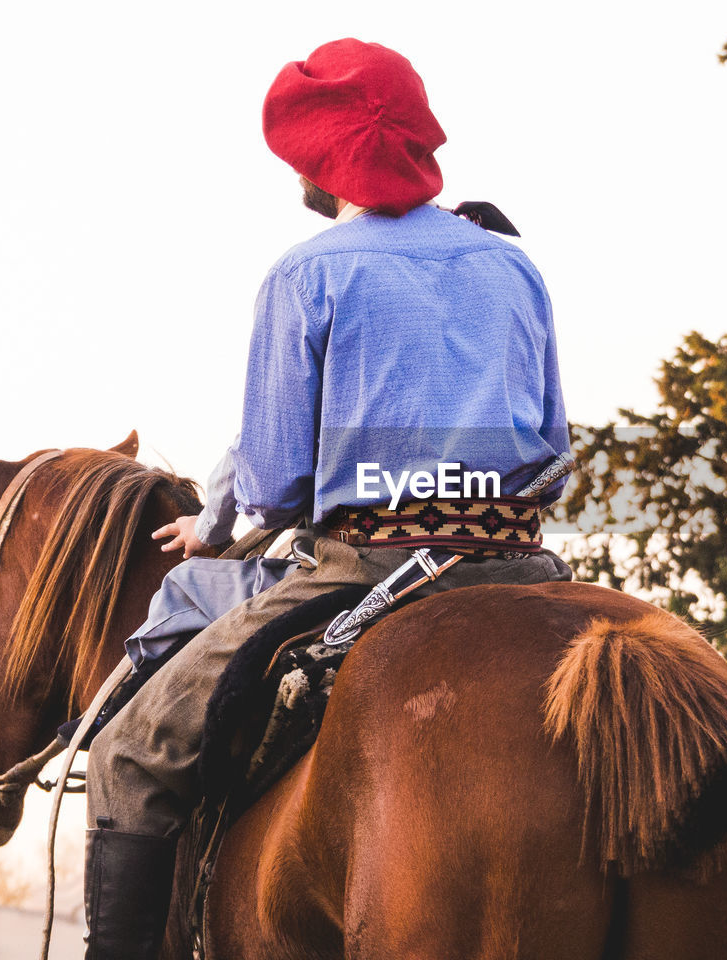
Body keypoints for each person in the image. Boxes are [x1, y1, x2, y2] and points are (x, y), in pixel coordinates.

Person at [81, 38, 571, 958]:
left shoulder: (309, 272)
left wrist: (226, 523)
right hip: (525, 564)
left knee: (130, 754)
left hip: (368, 569)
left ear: (313, 160)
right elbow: (554, 454)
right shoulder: (514, 267)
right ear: (420, 138)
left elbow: (271, 481)